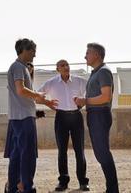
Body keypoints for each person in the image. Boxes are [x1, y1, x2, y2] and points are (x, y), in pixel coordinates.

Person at [6, 38, 58, 193]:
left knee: (16, 154)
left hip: (18, 117)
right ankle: (27, 187)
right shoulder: (18, 67)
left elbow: (22, 94)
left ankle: (14, 187)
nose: (35, 54)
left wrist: (44, 102)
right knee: (27, 154)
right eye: (32, 51)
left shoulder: (19, 67)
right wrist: (37, 96)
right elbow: (21, 90)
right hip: (24, 118)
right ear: (24, 50)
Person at [37, 59, 89, 192]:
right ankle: (63, 182)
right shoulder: (52, 83)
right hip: (61, 117)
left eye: (67, 65)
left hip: (76, 116)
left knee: (80, 150)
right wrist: (47, 102)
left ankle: (83, 182)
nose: (66, 67)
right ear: (57, 69)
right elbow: (37, 95)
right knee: (62, 151)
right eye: (62, 65)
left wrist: (84, 101)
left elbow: (92, 90)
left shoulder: (79, 80)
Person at [74, 43, 119, 193]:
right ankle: (111, 189)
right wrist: (82, 103)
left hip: (100, 115)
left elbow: (106, 97)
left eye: (87, 53)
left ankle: (113, 190)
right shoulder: (95, 72)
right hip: (94, 115)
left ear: (97, 55)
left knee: (103, 153)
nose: (85, 56)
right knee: (100, 154)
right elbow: (96, 96)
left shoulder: (104, 72)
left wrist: (85, 101)